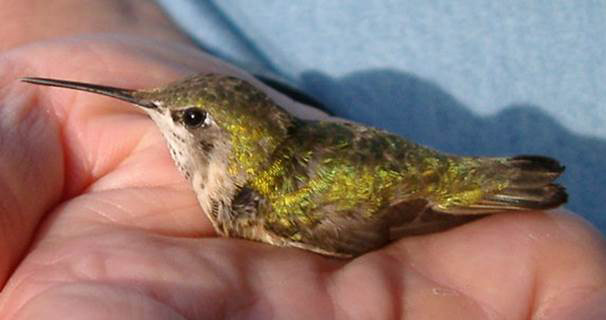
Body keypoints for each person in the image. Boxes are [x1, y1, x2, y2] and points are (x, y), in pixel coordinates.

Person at [0, 1, 604, 319]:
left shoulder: (258, 202)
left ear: (225, 141)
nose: (160, 114)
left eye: (185, 117)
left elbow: (363, 211)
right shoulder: (254, 168)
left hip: (395, 189)